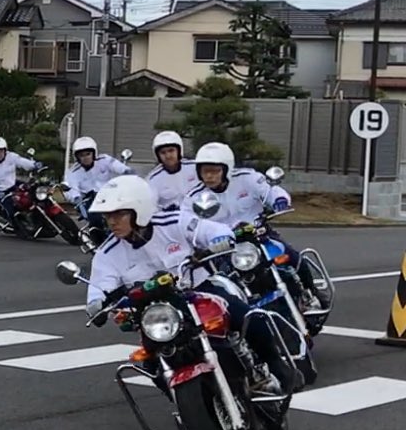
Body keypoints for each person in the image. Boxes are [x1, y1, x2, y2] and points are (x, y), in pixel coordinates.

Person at [84, 175, 285, 396]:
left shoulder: (174, 222)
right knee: (152, 365)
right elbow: (99, 286)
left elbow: (212, 230)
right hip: (157, 312)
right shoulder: (107, 253)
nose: (112, 222)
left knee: (248, 318)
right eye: (107, 216)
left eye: (119, 214)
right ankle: (184, 407)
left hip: (198, 291)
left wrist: (218, 240)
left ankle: (276, 366)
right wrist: (96, 303)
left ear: (139, 210)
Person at [185, 142, 323, 309]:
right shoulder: (194, 197)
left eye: (215, 171)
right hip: (226, 248)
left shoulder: (247, 178)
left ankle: (311, 292)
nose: (209, 176)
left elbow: (269, 190)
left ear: (227, 169)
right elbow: (188, 224)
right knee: (224, 281)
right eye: (205, 171)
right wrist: (198, 241)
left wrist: (279, 200)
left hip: (258, 235)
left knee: (291, 255)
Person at [63, 136, 133, 229]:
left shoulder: (104, 160)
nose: (85, 157)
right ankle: (97, 235)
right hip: (90, 200)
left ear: (94, 153)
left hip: (110, 193)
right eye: (82, 155)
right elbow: (72, 188)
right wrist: (76, 198)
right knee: (95, 221)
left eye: (88, 154)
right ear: (77, 157)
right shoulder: (73, 172)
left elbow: (117, 166)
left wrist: (127, 172)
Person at [0, 137, 45, 222]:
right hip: (1, 191)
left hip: (13, 184)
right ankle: (18, 227)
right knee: (11, 209)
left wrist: (34, 164)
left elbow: (22, 162)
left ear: (5, 151)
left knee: (33, 191)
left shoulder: (11, 157)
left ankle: (36, 215)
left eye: (1, 150)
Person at [146, 130, 198, 211]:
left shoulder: (195, 167)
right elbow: (151, 207)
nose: (168, 156)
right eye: (163, 153)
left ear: (179, 151)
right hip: (173, 219)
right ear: (157, 156)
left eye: (171, 150)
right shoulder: (153, 179)